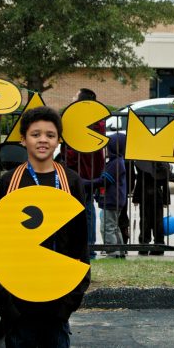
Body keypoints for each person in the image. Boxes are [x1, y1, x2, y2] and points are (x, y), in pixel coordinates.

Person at [0, 106, 89, 348]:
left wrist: (68, 304)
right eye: (36, 134)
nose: (43, 140)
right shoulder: (9, 182)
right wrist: (7, 307)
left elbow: (80, 244)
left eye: (50, 135)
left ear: (58, 141)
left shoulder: (71, 181)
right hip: (19, 303)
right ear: (23, 139)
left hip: (58, 302)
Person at [63, 88, 106, 259]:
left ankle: (87, 247)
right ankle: (87, 246)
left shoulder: (84, 122)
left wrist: (68, 161)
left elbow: (75, 148)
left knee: (85, 209)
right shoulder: (97, 122)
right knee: (87, 209)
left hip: (82, 171)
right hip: (91, 170)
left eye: (75, 95)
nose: (72, 97)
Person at [88, 133, 127, 258]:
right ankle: (120, 251)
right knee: (114, 227)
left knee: (107, 227)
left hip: (112, 200)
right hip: (116, 200)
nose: (105, 150)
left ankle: (112, 252)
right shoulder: (117, 162)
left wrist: (85, 183)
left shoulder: (115, 164)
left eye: (107, 147)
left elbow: (103, 181)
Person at [132, 160, 171, 256]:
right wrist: (166, 200)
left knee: (145, 221)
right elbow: (166, 184)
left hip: (145, 195)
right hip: (158, 196)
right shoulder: (164, 166)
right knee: (158, 222)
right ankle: (159, 245)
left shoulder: (143, 165)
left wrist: (136, 198)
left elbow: (140, 182)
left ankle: (144, 245)